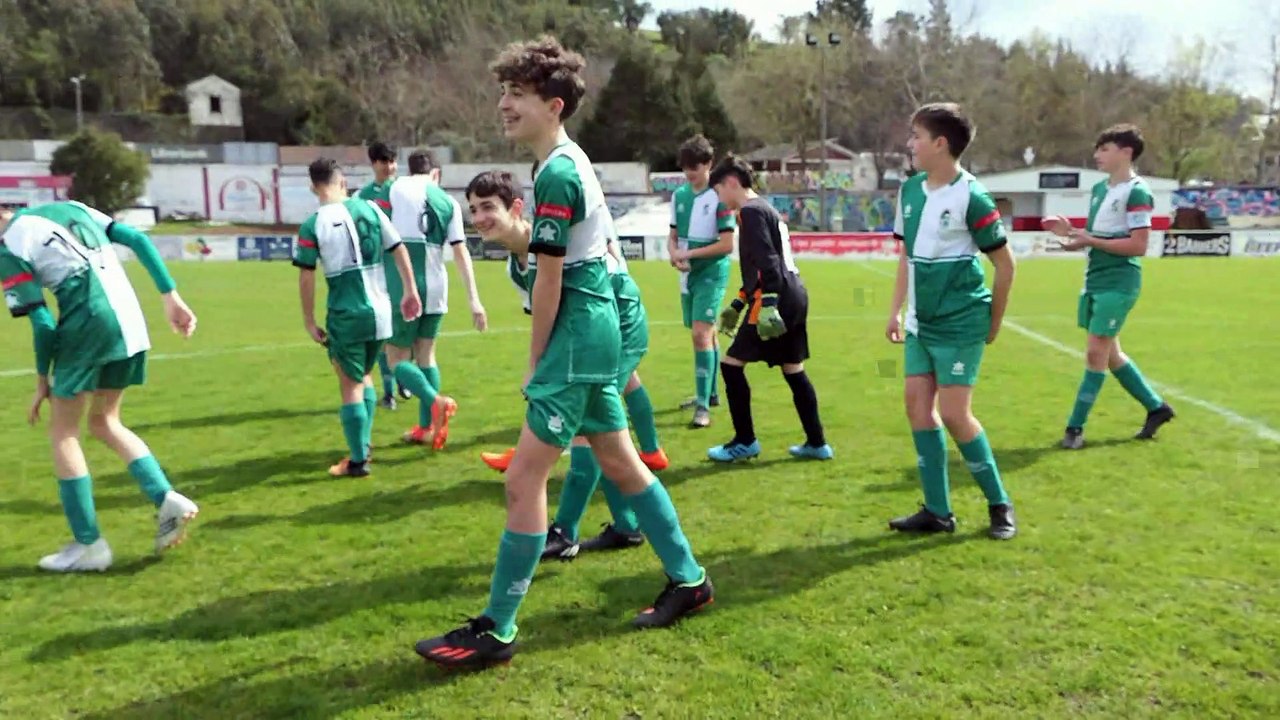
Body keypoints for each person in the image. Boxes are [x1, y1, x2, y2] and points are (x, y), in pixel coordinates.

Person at [414, 37, 712, 671]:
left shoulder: (558, 172)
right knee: (623, 465)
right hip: (593, 327)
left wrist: (535, 361)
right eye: (503, 91)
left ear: (553, 105)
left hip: (578, 332)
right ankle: (690, 581)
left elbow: (551, 280)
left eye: (516, 95)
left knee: (524, 479)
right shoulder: (565, 164)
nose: (503, 104)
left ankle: (497, 628)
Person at [465, 169, 670, 559]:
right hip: (584, 335)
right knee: (600, 434)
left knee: (590, 431)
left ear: (517, 208)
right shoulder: (516, 266)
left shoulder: (551, 241)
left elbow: (606, 288)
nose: (478, 218)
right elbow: (548, 314)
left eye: (488, 207)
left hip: (616, 325)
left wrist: (542, 366)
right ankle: (624, 528)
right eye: (473, 209)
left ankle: (566, 531)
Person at [0, 201, 199, 572]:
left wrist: (43, 378)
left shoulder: (8, 248)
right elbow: (137, 239)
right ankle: (166, 498)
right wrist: (170, 295)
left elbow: (43, 325)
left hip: (88, 323)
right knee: (105, 421)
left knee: (63, 431)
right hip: (130, 322)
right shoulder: (67, 206)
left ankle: (88, 544)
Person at [884, 102, 1017, 540]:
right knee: (917, 409)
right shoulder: (912, 190)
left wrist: (993, 324)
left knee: (957, 415)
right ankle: (937, 512)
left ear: (940, 144)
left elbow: (1006, 266)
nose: (910, 144)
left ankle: (999, 505)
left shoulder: (972, 196)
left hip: (961, 325)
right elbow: (907, 256)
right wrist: (896, 310)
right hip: (922, 325)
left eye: (916, 136)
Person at [1042, 123, 1175, 448]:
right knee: (1111, 354)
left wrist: (1088, 239)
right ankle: (1157, 408)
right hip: (1095, 280)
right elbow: (1098, 237)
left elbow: (1139, 245)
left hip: (1119, 282)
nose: (1097, 154)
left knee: (1095, 352)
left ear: (1126, 152)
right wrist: (1072, 234)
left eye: (1104, 149)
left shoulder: (1137, 191)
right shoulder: (1102, 189)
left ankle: (1074, 429)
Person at [293, 158, 426, 477]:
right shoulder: (371, 209)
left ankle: (357, 460)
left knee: (350, 384)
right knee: (365, 374)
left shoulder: (313, 224)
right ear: (343, 182)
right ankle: (363, 447)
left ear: (314, 187)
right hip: (381, 311)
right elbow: (398, 248)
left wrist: (309, 320)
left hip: (346, 314)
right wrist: (410, 291)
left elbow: (306, 277)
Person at [701, 155, 832, 463]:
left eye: (719, 190)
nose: (720, 199)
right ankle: (817, 443)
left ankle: (745, 441)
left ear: (732, 183)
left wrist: (769, 302)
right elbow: (765, 266)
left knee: (731, 365)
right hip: (795, 293)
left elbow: (768, 264)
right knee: (792, 368)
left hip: (778, 298)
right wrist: (739, 301)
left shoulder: (749, 212)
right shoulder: (765, 208)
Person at [384, 149, 485, 449]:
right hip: (437, 285)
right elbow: (460, 251)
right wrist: (474, 301)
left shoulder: (395, 188)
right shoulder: (448, 202)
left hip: (404, 284)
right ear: (435, 173)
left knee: (396, 359)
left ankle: (436, 402)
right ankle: (427, 428)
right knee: (426, 355)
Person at [668, 134, 736, 428]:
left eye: (695, 166)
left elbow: (727, 244)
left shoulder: (719, 197)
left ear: (709, 164)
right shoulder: (679, 196)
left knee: (700, 334)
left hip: (711, 273)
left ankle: (702, 407)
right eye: (685, 167)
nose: (689, 173)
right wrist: (673, 253)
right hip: (688, 275)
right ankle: (711, 392)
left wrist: (691, 252)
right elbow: (672, 234)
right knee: (705, 335)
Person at [356, 140, 408, 409]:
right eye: (385, 161)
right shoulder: (363, 196)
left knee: (405, 331)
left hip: (403, 269)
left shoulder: (401, 190)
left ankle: (402, 376)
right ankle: (389, 390)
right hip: (378, 272)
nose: (390, 166)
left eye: (393, 160)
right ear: (373, 163)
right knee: (382, 333)